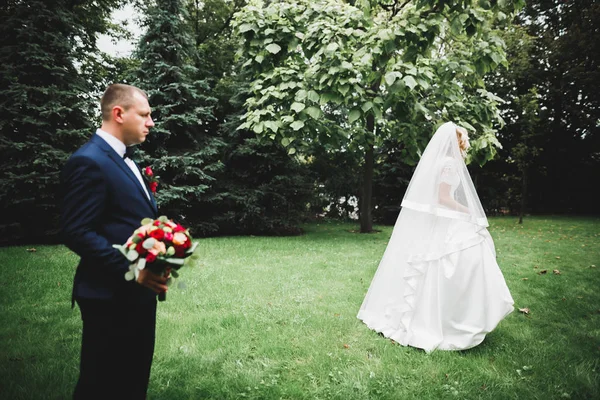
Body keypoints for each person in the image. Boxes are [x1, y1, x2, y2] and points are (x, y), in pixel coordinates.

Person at [357, 122, 514, 352]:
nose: (466, 145)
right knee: (451, 263)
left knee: (441, 264)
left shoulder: (441, 163)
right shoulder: (449, 163)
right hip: (446, 220)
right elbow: (442, 197)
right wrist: (466, 210)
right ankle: (453, 319)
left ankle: (454, 315)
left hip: (442, 220)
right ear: (456, 142)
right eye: (464, 141)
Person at [60, 84, 166, 399]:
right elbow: (76, 230)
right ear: (119, 114)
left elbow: (126, 220)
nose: (151, 123)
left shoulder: (125, 159)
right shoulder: (89, 160)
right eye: (145, 115)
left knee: (131, 383)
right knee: (102, 384)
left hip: (135, 296)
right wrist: (135, 269)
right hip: (109, 298)